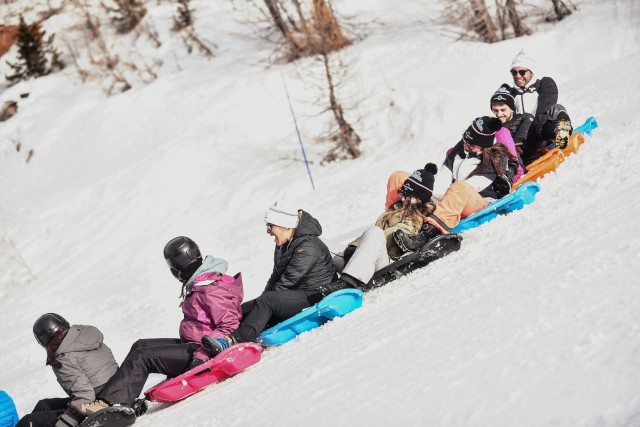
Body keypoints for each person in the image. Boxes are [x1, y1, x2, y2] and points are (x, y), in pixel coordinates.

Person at [86, 237, 243, 412]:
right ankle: (116, 394)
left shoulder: (209, 287)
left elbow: (229, 325)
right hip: (193, 346)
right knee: (141, 345)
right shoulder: (200, 281)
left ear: (176, 269)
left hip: (202, 352)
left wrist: (201, 357)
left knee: (145, 356)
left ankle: (109, 404)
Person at [201, 200, 338, 356]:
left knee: (267, 302)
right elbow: (276, 276)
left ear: (284, 225)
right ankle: (215, 340)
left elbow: (289, 282)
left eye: (270, 226)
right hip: (297, 292)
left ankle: (233, 341)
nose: (268, 232)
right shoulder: (283, 244)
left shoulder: (307, 245)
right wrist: (260, 304)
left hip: (315, 294)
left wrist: (265, 306)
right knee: (245, 308)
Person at [394, 117, 518, 251]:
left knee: (459, 187)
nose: (465, 146)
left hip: (478, 202)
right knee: (399, 178)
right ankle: (394, 220)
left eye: (471, 145)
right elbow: (443, 176)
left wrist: (427, 196)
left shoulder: (496, 158)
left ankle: (428, 234)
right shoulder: (461, 148)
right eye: (465, 140)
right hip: (453, 198)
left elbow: (470, 187)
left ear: (484, 147)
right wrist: (421, 191)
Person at [324, 165, 438, 289]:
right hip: (359, 258)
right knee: (315, 241)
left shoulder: (419, 217)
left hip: (383, 264)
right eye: (402, 193)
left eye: (409, 196)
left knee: (375, 232)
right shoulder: (396, 208)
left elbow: (387, 240)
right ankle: (312, 287)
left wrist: (359, 247)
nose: (403, 198)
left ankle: (347, 284)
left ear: (420, 199)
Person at [16, 314, 118, 427]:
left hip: (97, 405)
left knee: (28, 422)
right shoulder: (84, 338)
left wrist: (63, 424)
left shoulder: (62, 356)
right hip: (114, 390)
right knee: (43, 405)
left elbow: (85, 397)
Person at [500, 50, 573, 165]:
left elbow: (545, 107)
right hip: (521, 143)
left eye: (522, 72)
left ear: (531, 72)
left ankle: (560, 132)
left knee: (555, 109)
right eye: (514, 72)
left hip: (540, 134)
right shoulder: (509, 94)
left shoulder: (544, 84)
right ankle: (557, 129)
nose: (518, 76)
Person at [490, 88, 526, 180]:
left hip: (521, 156)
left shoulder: (523, 118)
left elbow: (525, 137)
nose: (499, 114)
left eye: (503, 110)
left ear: (512, 109)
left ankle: (514, 171)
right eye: (496, 110)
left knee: (501, 131)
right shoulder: (493, 124)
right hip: (499, 158)